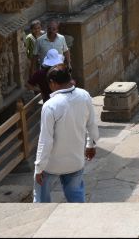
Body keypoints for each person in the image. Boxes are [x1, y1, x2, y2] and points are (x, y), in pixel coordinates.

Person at [33, 67, 99, 203]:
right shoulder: (84, 96)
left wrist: (39, 167)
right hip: (75, 161)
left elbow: (45, 140)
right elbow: (91, 124)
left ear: (52, 83)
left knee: (40, 197)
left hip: (51, 164)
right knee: (76, 198)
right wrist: (90, 145)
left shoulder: (50, 105)